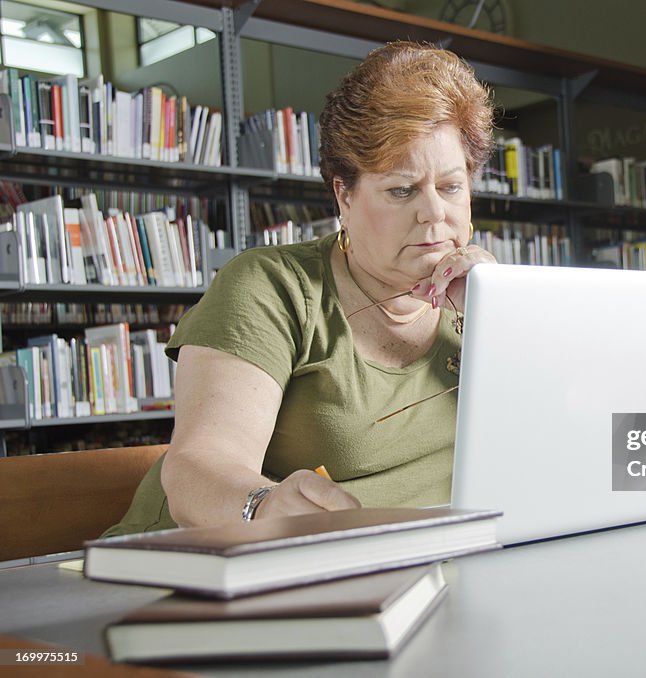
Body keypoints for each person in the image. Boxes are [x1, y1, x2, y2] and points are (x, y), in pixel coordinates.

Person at [104, 41, 496, 536]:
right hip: (198, 569)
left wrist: (498, 320)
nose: (434, 213)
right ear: (344, 195)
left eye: (451, 186)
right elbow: (195, 468)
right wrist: (263, 507)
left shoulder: (489, 298)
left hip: (407, 567)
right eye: (401, 189)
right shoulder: (272, 288)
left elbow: (598, 444)